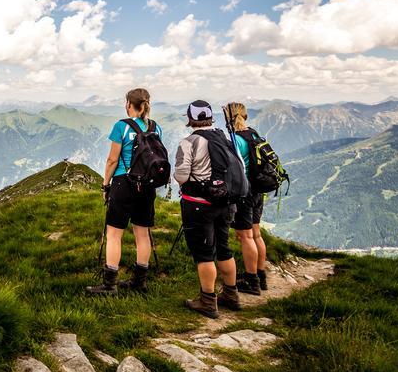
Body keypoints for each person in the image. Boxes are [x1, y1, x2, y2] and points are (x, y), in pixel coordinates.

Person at [86, 88, 162, 295]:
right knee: (142, 233)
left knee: (114, 233)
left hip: (124, 183)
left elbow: (112, 159)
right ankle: (140, 281)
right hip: (146, 186)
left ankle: (110, 284)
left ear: (129, 104)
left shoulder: (121, 126)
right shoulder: (156, 127)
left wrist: (105, 184)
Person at [173, 100, 240, 318]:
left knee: (204, 254)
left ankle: (208, 301)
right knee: (223, 248)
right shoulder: (224, 137)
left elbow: (182, 176)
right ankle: (231, 294)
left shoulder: (189, 142)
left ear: (190, 118)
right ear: (210, 117)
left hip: (199, 206)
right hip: (226, 203)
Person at [225, 102, 268, 293]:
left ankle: (252, 282)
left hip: (245, 192)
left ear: (229, 117)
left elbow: (230, 167)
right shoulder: (254, 134)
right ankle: (261, 275)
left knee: (245, 236)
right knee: (256, 233)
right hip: (258, 189)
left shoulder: (235, 139)